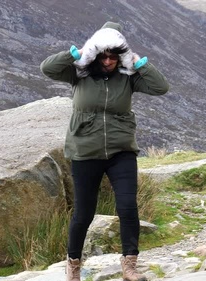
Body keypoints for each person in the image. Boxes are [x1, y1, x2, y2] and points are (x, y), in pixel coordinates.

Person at [40, 21, 169, 281]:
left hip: (121, 151)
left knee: (127, 207)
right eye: (103, 55)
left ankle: (130, 266)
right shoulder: (79, 73)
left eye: (114, 56)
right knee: (83, 213)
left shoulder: (127, 77)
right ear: (95, 53)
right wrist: (75, 54)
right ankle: (73, 266)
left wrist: (139, 63)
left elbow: (160, 87)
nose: (108, 61)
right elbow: (47, 68)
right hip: (85, 151)